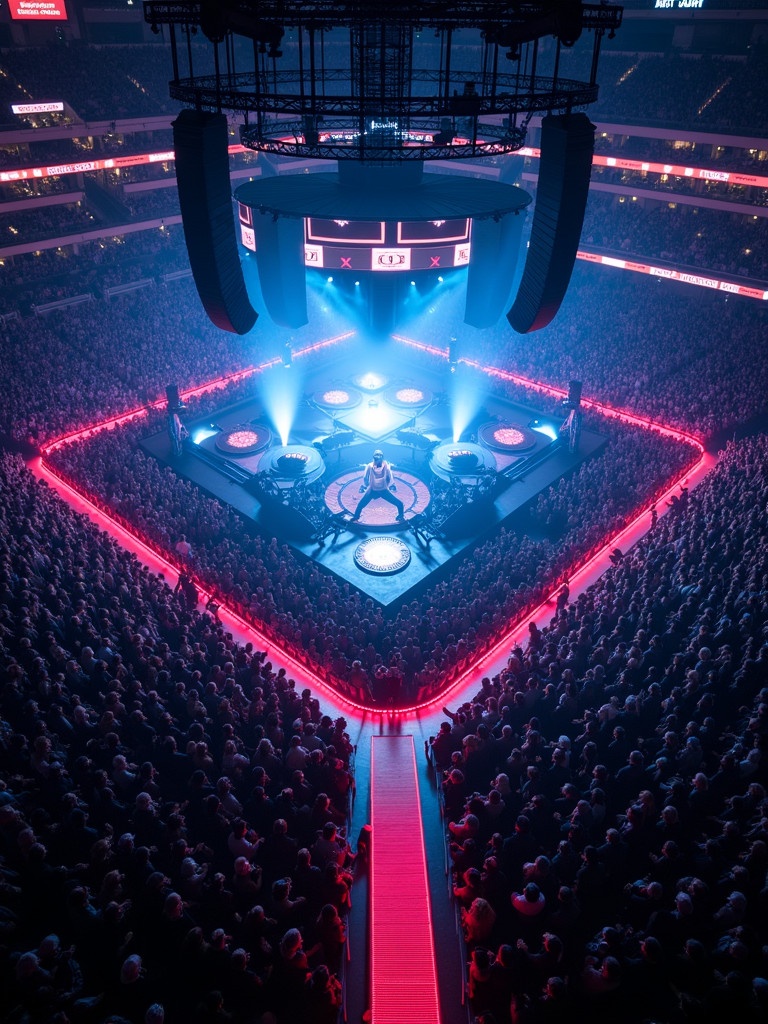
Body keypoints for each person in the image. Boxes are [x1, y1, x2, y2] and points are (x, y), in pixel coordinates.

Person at [351, 449, 405, 523]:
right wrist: (389, 485)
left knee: (360, 505)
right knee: (399, 504)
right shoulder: (383, 465)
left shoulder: (371, 466)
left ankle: (355, 517)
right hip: (379, 490)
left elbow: (365, 479)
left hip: (375, 490)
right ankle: (401, 517)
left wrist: (366, 486)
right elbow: (389, 478)